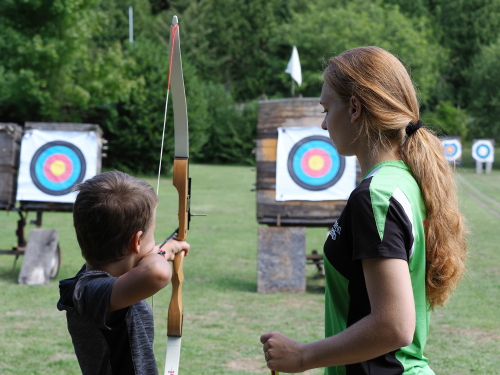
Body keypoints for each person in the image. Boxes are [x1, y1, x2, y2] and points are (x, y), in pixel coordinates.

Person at [261, 46, 467, 374]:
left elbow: (394, 325)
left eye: (327, 109)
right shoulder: (405, 181)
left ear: (354, 108)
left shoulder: (375, 196)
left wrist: (302, 356)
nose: (324, 123)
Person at [57, 170, 190, 375]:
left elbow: (141, 265)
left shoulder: (100, 279)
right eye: (151, 235)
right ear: (137, 241)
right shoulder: (89, 292)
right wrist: (161, 253)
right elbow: (158, 273)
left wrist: (161, 250)